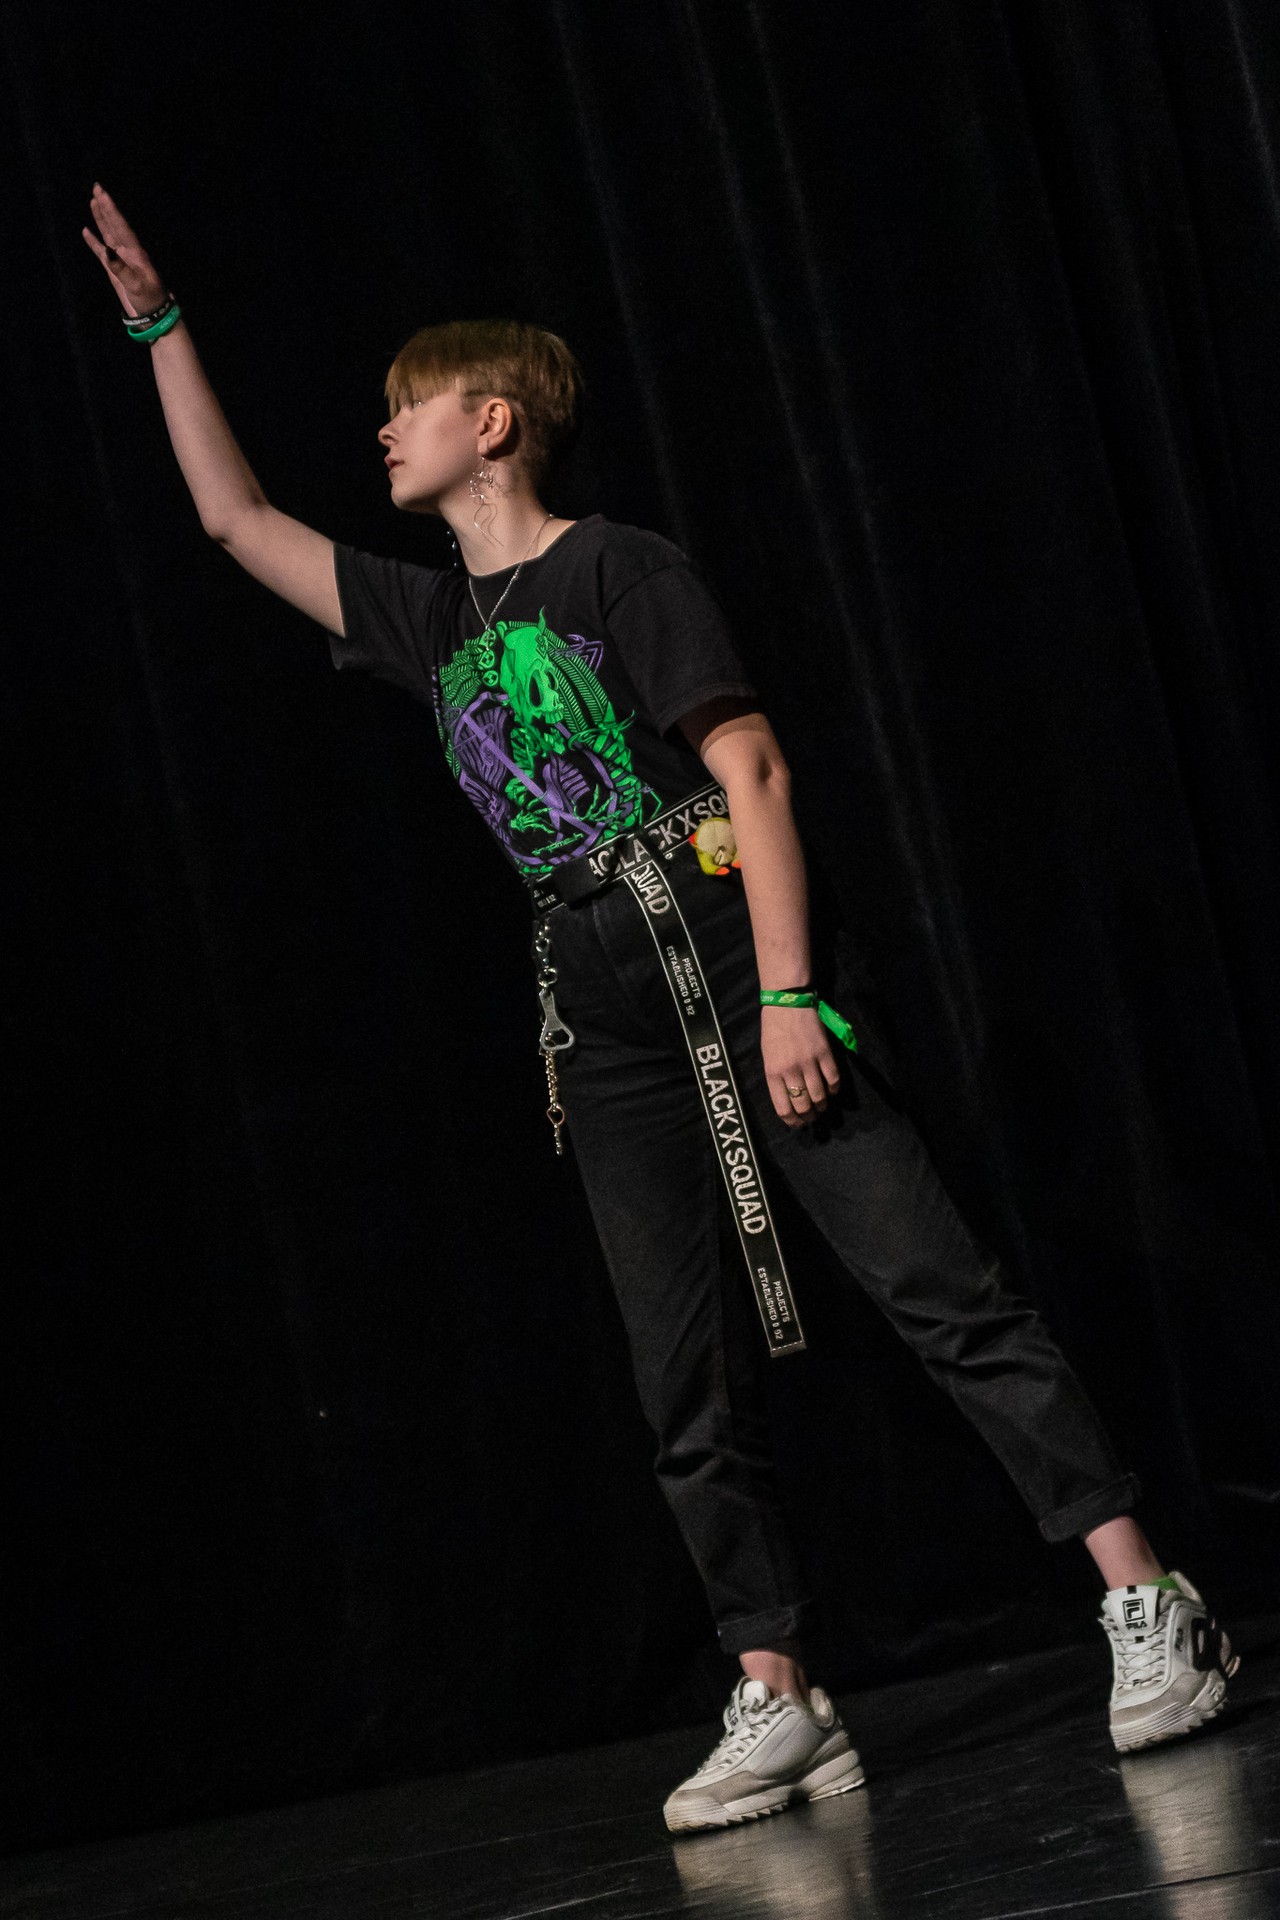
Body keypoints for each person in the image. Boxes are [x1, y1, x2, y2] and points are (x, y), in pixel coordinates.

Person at [83, 182, 1240, 1834]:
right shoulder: (430, 617)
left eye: (410, 404)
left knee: (932, 1283)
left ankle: (1147, 1595)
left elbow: (749, 768)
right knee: (678, 1372)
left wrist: (790, 991)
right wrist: (159, 325)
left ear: (493, 423)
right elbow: (233, 520)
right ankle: (779, 1692)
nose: (383, 429)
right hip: (600, 1002)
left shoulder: (618, 567)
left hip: (719, 937)